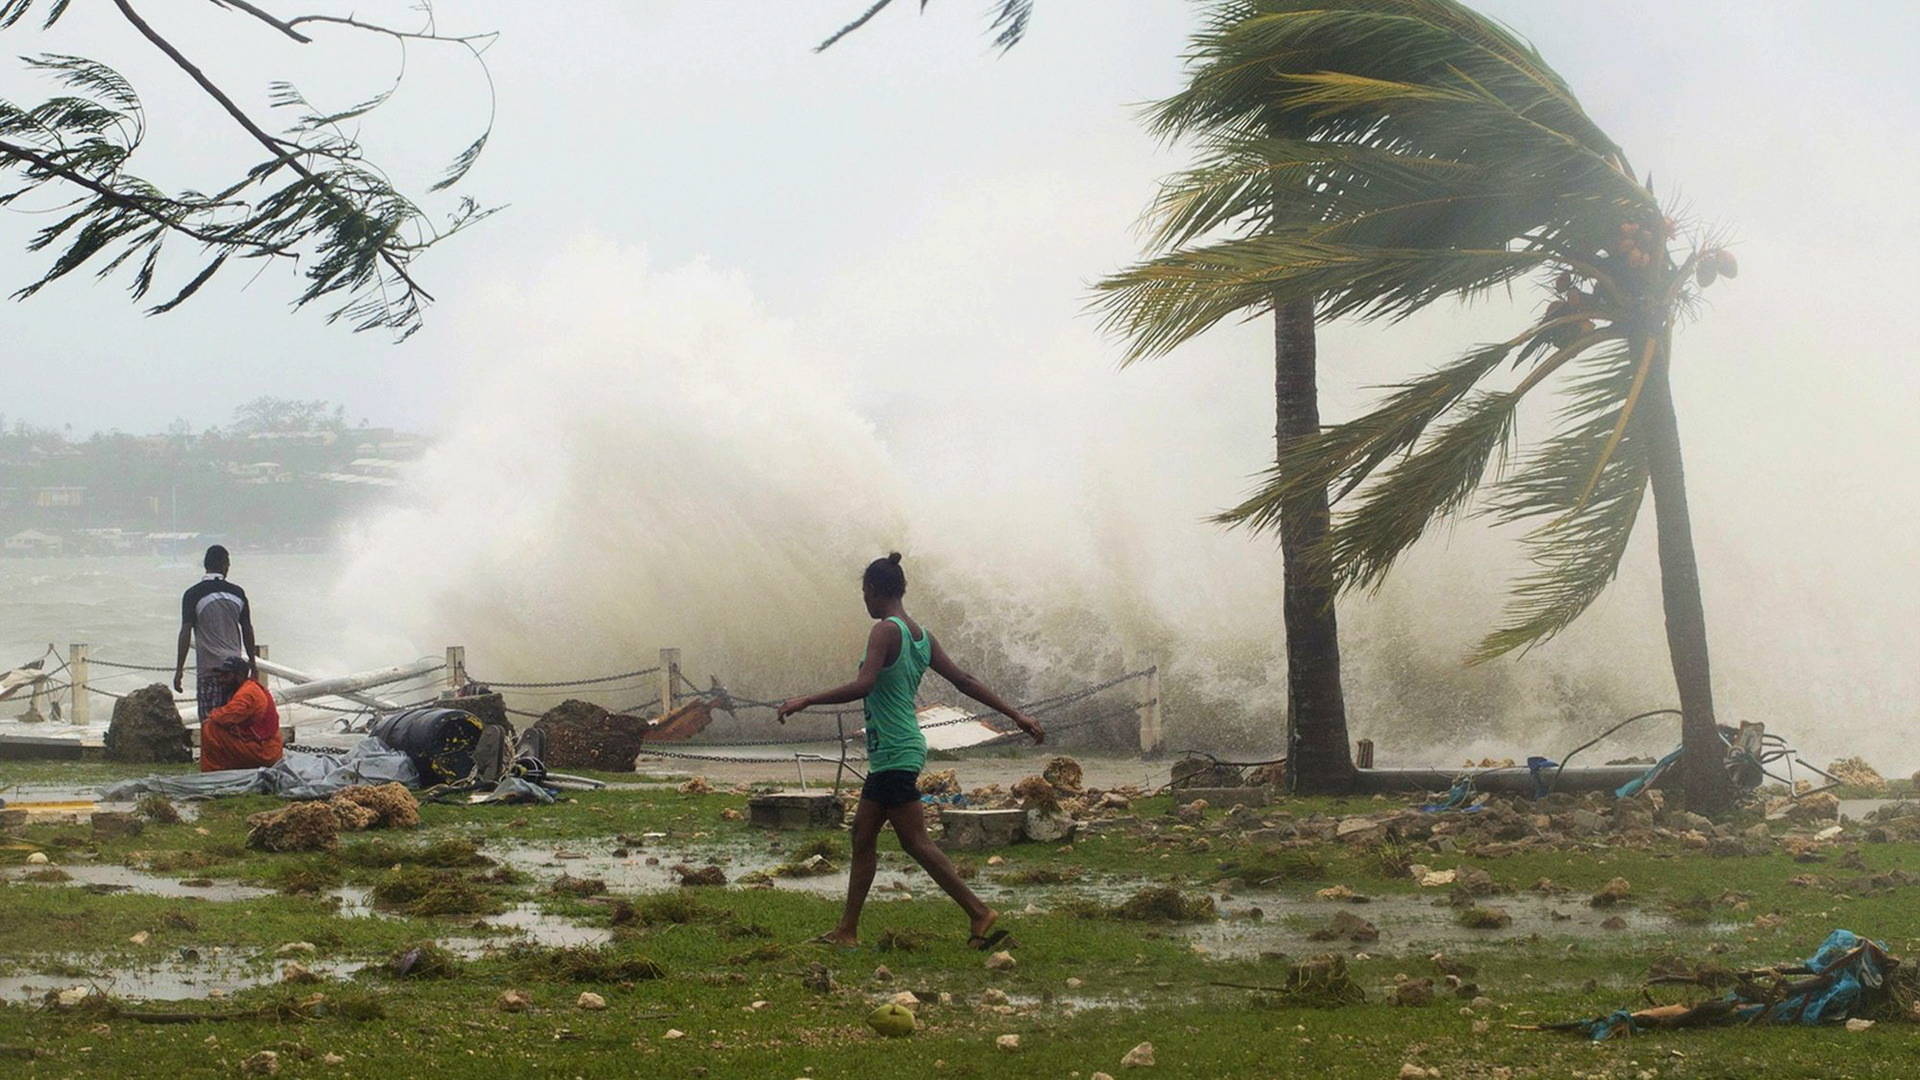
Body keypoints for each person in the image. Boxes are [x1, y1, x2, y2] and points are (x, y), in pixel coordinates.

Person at [778, 552, 1044, 950]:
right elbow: (965, 681)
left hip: (897, 749)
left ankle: (978, 912)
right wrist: (1016, 714)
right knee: (863, 835)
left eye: (863, 593)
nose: (863, 601)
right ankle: (847, 930)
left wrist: (806, 699)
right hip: (895, 749)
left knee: (915, 841)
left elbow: (865, 684)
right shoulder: (922, 635)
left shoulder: (885, 631)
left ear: (872, 591)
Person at [173, 544, 258, 723]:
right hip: (236, 672)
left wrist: (179, 670)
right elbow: (247, 629)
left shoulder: (192, 594)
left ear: (206, 565)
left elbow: (185, 632)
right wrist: (253, 664)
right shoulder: (238, 593)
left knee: (210, 724)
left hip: (210, 672)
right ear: (225, 565)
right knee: (237, 724)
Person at [199, 655, 282, 771]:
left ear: (239, 676)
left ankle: (213, 771)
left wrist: (212, 714)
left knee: (209, 727)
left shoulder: (246, 693)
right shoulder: (251, 687)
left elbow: (225, 717)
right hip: (267, 746)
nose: (221, 679)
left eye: (226, 675)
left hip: (264, 751)